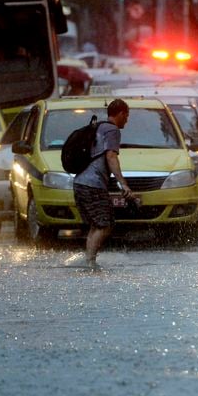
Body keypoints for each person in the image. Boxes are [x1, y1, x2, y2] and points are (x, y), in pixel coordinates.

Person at [73, 98, 137, 270]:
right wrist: (123, 184)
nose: (127, 120)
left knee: (97, 225)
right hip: (92, 184)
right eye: (127, 116)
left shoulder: (98, 127)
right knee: (104, 225)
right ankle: (90, 264)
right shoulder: (112, 130)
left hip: (80, 182)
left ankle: (89, 261)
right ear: (122, 114)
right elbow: (111, 156)